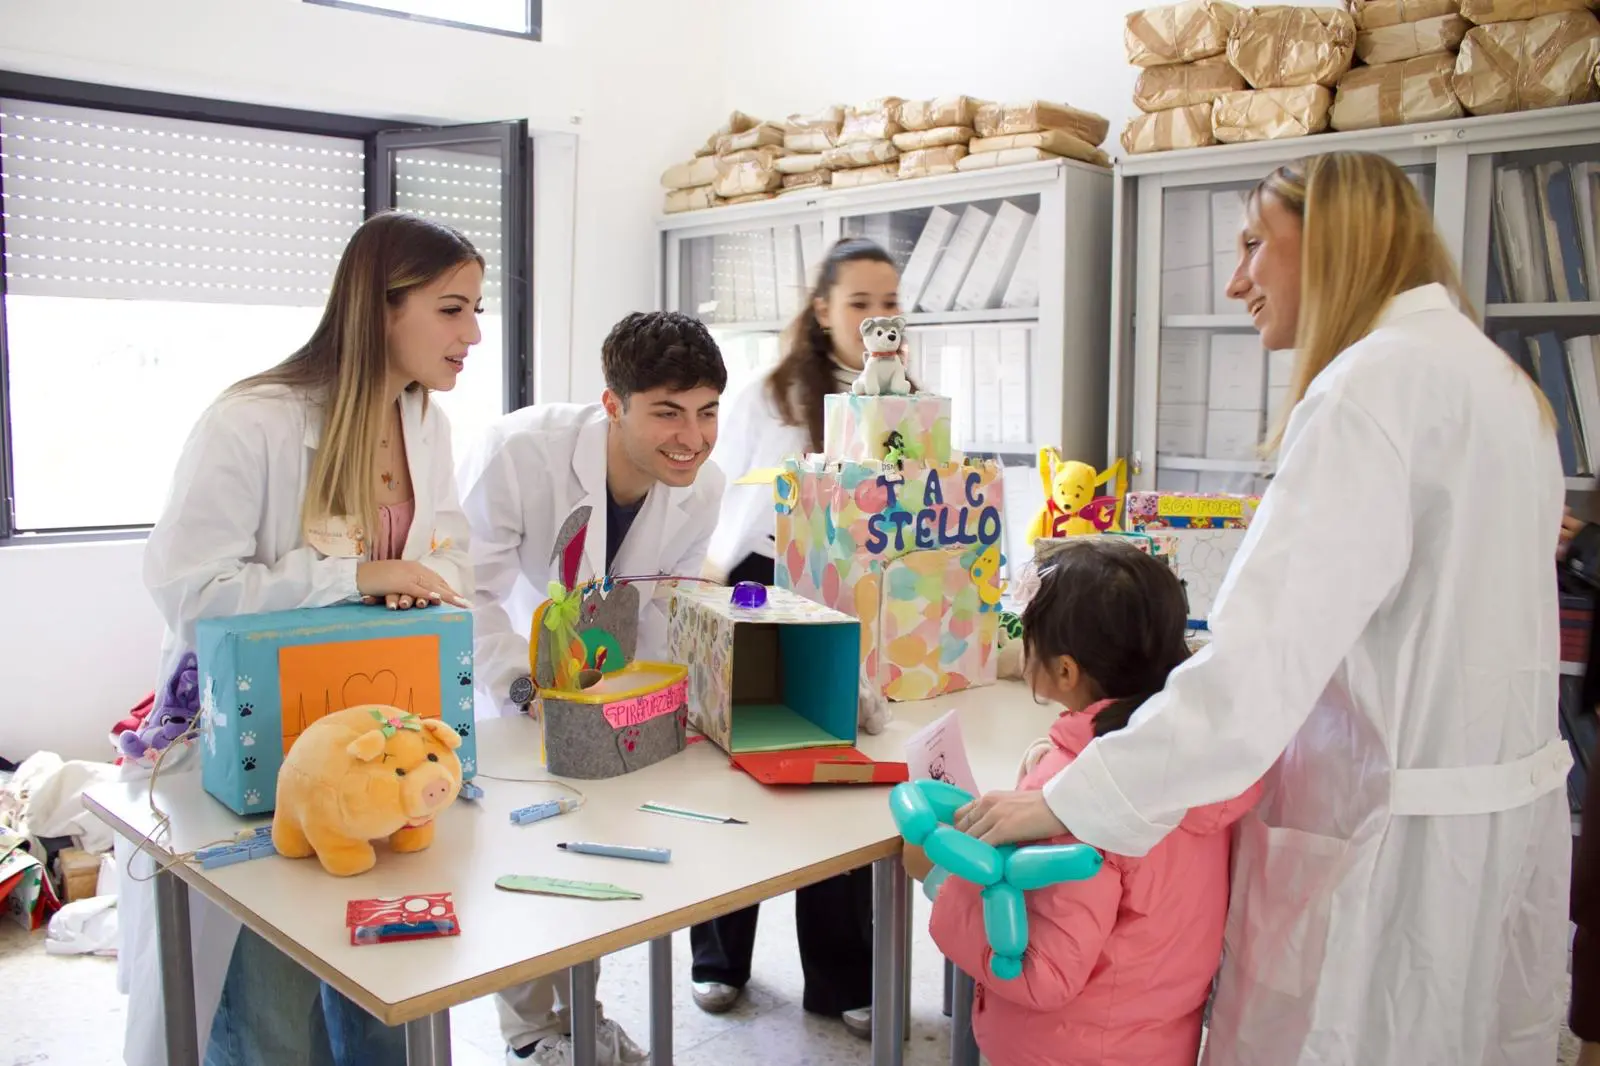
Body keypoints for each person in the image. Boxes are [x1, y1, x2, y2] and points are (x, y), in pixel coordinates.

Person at [954, 151, 1572, 1065]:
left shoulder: (1368, 389)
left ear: (1330, 245)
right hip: (1487, 826)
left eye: (1253, 244)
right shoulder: (1501, 384)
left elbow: (1255, 671)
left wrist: (1067, 802)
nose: (1238, 277)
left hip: (1382, 841)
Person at [125, 210, 480, 1066]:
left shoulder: (425, 420)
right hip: (260, 752)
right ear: (380, 308)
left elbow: (450, 548)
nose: (473, 333)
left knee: (389, 1002)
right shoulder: (253, 421)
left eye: (476, 310)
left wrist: (423, 589)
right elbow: (190, 592)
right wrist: (357, 577)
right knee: (272, 1022)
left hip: (381, 751)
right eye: (452, 308)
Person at [457, 309, 727, 1065]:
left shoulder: (700, 489)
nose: (693, 437)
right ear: (613, 404)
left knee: (594, 850)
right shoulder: (518, 453)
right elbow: (462, 593)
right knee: (525, 854)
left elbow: (666, 608)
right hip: (504, 683)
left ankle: (581, 1015)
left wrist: (663, 702)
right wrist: (520, 683)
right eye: (667, 412)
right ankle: (532, 1034)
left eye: (707, 412)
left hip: (609, 690)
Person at [915, 538, 1259, 1066]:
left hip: (1057, 1049)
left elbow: (1038, 972)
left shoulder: (1075, 796)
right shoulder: (1202, 768)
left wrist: (941, 884)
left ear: (1066, 672)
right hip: (1156, 1041)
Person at [690, 237, 901, 1037]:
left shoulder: (905, 398)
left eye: (890, 304)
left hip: (853, 592)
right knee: (741, 777)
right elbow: (725, 499)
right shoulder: (770, 395)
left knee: (841, 782)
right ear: (822, 311)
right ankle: (718, 957)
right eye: (860, 303)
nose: (878, 319)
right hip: (765, 586)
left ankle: (843, 977)